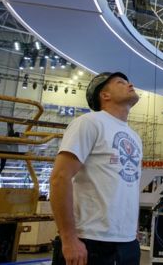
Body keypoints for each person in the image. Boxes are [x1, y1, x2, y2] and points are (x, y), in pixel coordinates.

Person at [50, 72, 142, 265]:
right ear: (104, 95)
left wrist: (129, 229)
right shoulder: (89, 122)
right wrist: (69, 239)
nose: (130, 84)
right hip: (90, 241)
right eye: (120, 82)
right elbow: (60, 177)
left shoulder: (134, 136)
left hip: (127, 243)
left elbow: (125, 185)